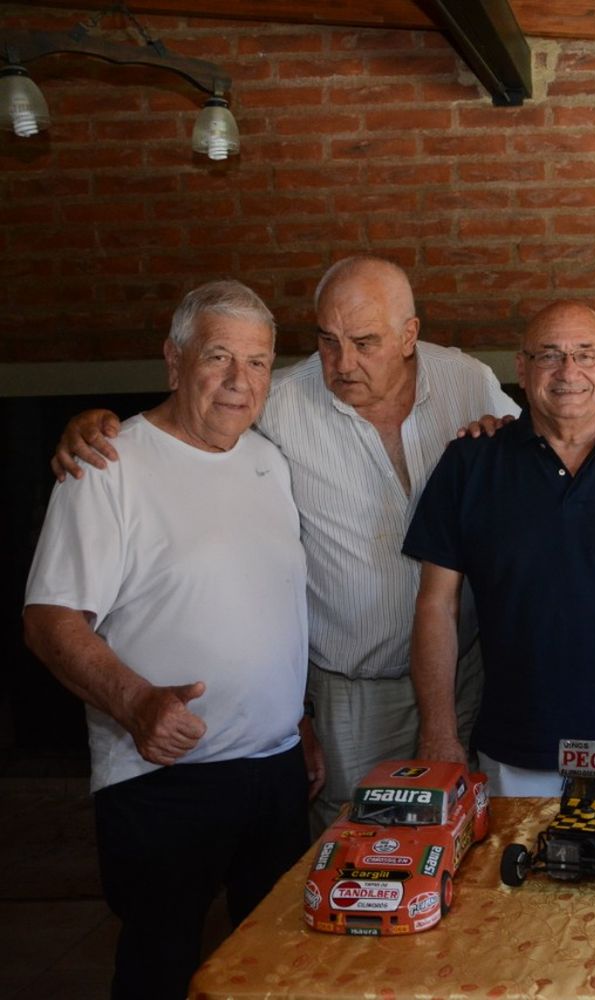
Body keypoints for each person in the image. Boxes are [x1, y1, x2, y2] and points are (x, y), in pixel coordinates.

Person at [50, 256, 523, 830]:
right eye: (327, 341)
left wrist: (507, 437)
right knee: (358, 847)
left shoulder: (467, 380)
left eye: (365, 343)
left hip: (463, 669)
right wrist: (93, 424)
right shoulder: (280, 401)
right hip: (353, 689)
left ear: (409, 336)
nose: (342, 364)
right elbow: (189, 422)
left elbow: (536, 447)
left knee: (472, 833)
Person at [24, 281, 315, 999]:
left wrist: (295, 718)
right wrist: (136, 703)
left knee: (273, 969)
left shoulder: (267, 462)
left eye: (256, 362)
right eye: (218, 357)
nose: (238, 381)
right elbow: (50, 619)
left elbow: (265, 606)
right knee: (160, 967)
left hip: (276, 773)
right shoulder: (108, 465)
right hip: (161, 780)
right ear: (174, 361)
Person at [404, 302, 595, 797]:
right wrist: (439, 732)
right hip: (515, 746)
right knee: (511, 874)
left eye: (586, 354)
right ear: (522, 371)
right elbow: (436, 604)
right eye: (550, 355)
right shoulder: (471, 462)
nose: (570, 371)